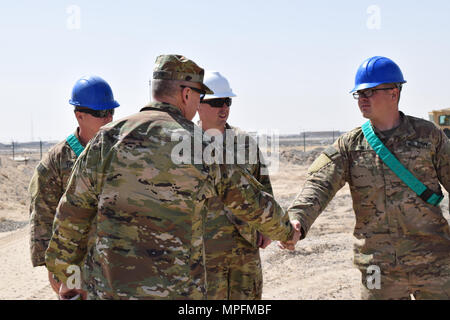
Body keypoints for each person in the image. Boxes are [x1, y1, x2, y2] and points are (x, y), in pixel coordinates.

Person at [45, 55, 300, 300]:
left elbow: (72, 212)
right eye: (199, 95)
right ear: (186, 94)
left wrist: (62, 270)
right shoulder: (198, 145)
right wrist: (287, 232)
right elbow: (249, 200)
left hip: (111, 290)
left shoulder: (108, 138)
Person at [285, 56, 450, 300]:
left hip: (434, 263)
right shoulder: (349, 145)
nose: (362, 99)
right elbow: (319, 184)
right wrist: (297, 218)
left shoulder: (428, 136)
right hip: (378, 268)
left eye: (370, 92)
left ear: (394, 93)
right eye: (358, 94)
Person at [28, 75, 119, 296]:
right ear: (80, 115)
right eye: (100, 114)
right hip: (77, 268)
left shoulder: (121, 153)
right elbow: (43, 219)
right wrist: (58, 282)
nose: (108, 119)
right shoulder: (55, 162)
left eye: (111, 112)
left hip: (117, 266)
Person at [197, 71, 272, 299]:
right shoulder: (184, 145)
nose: (224, 108)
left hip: (244, 250)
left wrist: (267, 227)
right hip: (205, 252)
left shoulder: (244, 142)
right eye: (216, 102)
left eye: (227, 101)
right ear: (197, 104)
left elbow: (263, 186)